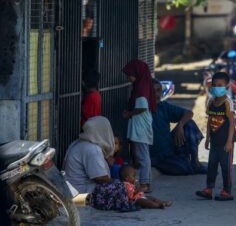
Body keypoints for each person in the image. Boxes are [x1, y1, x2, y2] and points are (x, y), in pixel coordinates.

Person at [63, 116, 133, 211]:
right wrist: (113, 181)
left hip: (74, 188)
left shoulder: (79, 143)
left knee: (119, 184)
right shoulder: (92, 149)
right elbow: (99, 178)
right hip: (82, 192)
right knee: (121, 187)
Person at [196, 72, 236, 201]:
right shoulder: (211, 102)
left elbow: (231, 123)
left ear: (227, 86)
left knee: (226, 167)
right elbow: (209, 121)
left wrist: (229, 141)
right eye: (214, 85)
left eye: (220, 85)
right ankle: (208, 189)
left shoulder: (228, 102)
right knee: (212, 165)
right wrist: (207, 138)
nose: (216, 87)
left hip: (226, 141)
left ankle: (226, 191)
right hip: (214, 140)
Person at [151, 79, 206, 175]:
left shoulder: (163, 106)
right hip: (156, 156)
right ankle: (185, 163)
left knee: (189, 123)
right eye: (153, 91)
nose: (157, 94)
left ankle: (195, 162)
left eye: (159, 90)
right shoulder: (142, 110)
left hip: (170, 148)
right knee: (184, 169)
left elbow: (189, 113)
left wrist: (180, 125)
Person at [122, 59, 156, 193]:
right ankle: (145, 182)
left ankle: (144, 184)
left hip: (140, 125)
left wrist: (128, 114)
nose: (128, 77)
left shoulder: (141, 88)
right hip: (140, 124)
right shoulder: (141, 85)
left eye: (129, 74)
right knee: (142, 154)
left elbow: (141, 107)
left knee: (142, 155)